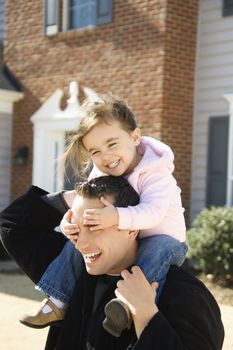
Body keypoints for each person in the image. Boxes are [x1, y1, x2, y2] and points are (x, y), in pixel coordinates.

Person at [20, 93, 188, 335]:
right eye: (95, 151)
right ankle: (57, 301)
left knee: (154, 251)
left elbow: (153, 213)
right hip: (127, 235)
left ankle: (127, 307)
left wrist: (115, 216)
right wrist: (69, 223)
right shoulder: (100, 172)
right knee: (81, 243)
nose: (105, 157)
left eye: (112, 144)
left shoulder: (155, 172)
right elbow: (84, 202)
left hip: (164, 238)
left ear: (135, 136)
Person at [0, 176, 224, 350]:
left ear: (131, 227)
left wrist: (147, 316)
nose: (81, 243)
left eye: (94, 227)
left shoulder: (183, 293)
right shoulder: (70, 272)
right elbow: (12, 223)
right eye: (76, 228)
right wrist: (81, 196)